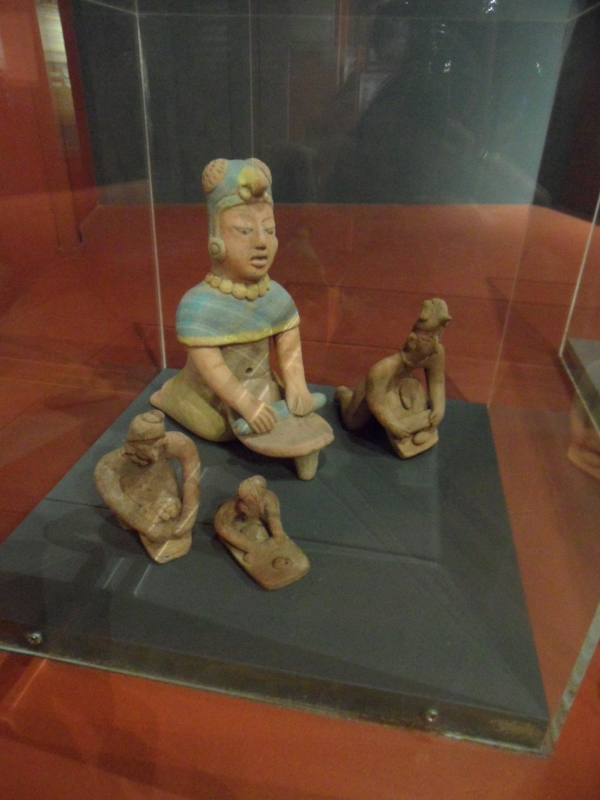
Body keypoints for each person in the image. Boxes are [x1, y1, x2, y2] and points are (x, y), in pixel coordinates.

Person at [150, 158, 333, 479]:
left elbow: (289, 342)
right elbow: (211, 366)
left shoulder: (276, 296)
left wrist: (296, 386)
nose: (261, 242)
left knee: (285, 410)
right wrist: (245, 404)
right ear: (216, 239)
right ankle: (169, 396)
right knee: (218, 428)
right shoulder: (199, 305)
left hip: (261, 388)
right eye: (244, 230)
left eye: (269, 230)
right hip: (208, 395)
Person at [94, 410, 200, 563]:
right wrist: (149, 529)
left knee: (167, 494)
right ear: (132, 445)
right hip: (138, 504)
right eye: (147, 450)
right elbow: (117, 500)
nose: (155, 455)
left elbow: (192, 478)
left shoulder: (177, 443)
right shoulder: (109, 465)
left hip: (167, 497)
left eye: (158, 447)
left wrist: (188, 516)